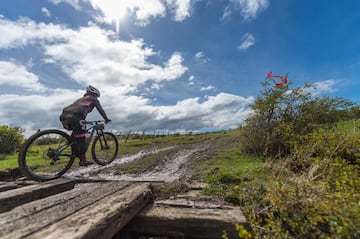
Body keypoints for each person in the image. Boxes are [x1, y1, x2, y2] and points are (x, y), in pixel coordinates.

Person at [60, 85, 111, 166]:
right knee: (82, 139)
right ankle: (83, 160)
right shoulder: (93, 99)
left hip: (64, 116)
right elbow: (101, 110)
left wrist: (85, 122)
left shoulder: (80, 100)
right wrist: (106, 119)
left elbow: (78, 113)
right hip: (76, 117)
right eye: (97, 96)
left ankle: (72, 146)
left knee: (77, 134)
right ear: (95, 95)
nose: (96, 98)